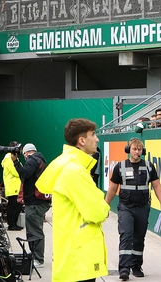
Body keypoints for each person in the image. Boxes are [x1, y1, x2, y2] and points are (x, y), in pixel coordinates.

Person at [36, 119, 109, 282]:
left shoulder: (70, 166)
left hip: (72, 256)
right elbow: (97, 212)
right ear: (81, 140)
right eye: (93, 134)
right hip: (79, 258)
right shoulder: (74, 170)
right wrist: (103, 205)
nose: (97, 139)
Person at [104, 138, 161, 280]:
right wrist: (105, 206)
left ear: (142, 151)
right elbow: (113, 188)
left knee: (139, 238)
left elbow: (157, 186)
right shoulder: (120, 167)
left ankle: (136, 266)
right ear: (128, 150)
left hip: (143, 208)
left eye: (139, 149)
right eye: (134, 149)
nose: (137, 152)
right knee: (126, 236)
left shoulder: (149, 167)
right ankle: (124, 269)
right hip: (126, 208)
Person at [17, 143, 50, 266]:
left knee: (35, 231)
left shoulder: (32, 160)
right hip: (39, 200)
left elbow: (25, 173)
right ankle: (36, 256)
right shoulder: (40, 159)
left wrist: (15, 163)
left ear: (26, 153)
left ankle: (38, 258)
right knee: (34, 229)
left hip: (35, 201)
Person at [2, 143, 22, 230]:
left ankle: (14, 223)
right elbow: (17, 172)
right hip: (13, 186)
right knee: (13, 206)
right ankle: (12, 224)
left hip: (15, 186)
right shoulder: (9, 159)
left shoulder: (11, 158)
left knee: (16, 206)